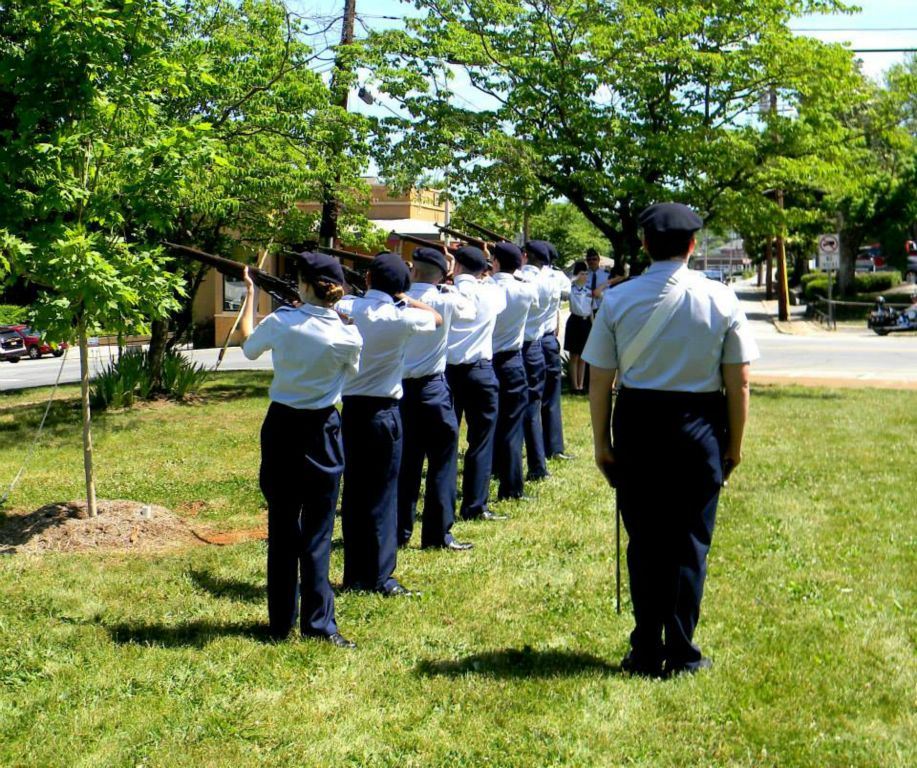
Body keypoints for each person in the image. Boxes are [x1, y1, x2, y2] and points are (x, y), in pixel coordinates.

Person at [584, 202, 759, 678]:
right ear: (693, 245)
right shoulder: (720, 298)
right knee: (689, 542)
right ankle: (681, 650)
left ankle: (644, 648)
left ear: (644, 244)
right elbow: (738, 382)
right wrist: (734, 446)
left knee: (643, 541)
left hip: (638, 420)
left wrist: (602, 443)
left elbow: (600, 380)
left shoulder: (618, 299)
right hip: (699, 421)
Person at [239, 252, 362, 647]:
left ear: (305, 285)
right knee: (318, 530)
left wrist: (249, 296)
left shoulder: (281, 322)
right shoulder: (349, 333)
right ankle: (319, 624)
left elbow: (248, 347)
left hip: (282, 428)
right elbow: (350, 372)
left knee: (282, 525)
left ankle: (279, 624)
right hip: (324, 428)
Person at [336, 253, 442, 596]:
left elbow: (338, 304)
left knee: (353, 494)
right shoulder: (403, 318)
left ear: (367, 279)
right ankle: (380, 576)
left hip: (350, 410)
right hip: (384, 412)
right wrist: (406, 297)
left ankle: (354, 573)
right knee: (383, 495)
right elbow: (437, 319)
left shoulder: (348, 309)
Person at [397, 246, 476, 551]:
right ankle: (437, 534)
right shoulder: (445, 299)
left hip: (402, 391)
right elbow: (470, 312)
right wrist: (451, 283)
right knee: (442, 463)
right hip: (433, 389)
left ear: (413, 270)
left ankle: (400, 531)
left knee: (406, 465)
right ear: (442, 274)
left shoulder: (398, 301)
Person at [445, 245, 507, 521]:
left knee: (444, 445)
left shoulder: (444, 293)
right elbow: (496, 285)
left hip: (446, 372)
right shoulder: (492, 292)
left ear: (455, 267)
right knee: (481, 440)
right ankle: (475, 504)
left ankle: (443, 505)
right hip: (480, 370)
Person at [489, 241, 539, 500]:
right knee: (511, 427)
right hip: (511, 360)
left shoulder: (485, 288)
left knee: (484, 430)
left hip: (486, 360)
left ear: (495, 262)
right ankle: (511, 486)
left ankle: (484, 479)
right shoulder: (525, 290)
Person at [519, 240, 554, 481]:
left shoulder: (521, 280)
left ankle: (505, 466)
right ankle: (537, 463)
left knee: (510, 413)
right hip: (535, 346)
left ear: (525, 256)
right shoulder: (549, 282)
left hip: (516, 347)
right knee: (533, 408)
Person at [539, 241, 572, 460]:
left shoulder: (523, 276)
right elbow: (567, 294)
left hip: (525, 344)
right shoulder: (557, 278)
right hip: (548, 339)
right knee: (551, 398)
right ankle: (553, 446)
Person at [564, 261, 592, 394]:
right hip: (575, 321)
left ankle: (581, 385)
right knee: (574, 356)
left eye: (586, 274)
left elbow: (592, 309)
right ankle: (574, 386)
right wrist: (573, 278)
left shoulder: (589, 291)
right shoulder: (570, 289)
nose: (585, 276)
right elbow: (562, 292)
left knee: (583, 357)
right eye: (582, 274)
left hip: (586, 322)